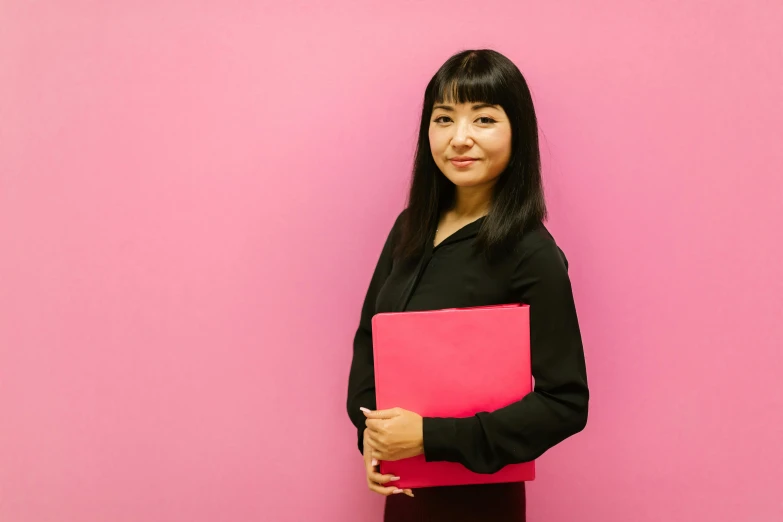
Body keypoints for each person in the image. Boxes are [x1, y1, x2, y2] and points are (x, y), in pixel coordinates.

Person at [346, 48, 589, 522]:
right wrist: (371, 435)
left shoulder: (530, 252)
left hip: (480, 503)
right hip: (405, 496)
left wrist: (430, 437)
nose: (460, 139)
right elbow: (369, 339)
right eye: (444, 119)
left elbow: (565, 402)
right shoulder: (409, 227)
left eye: (483, 120)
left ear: (516, 130)